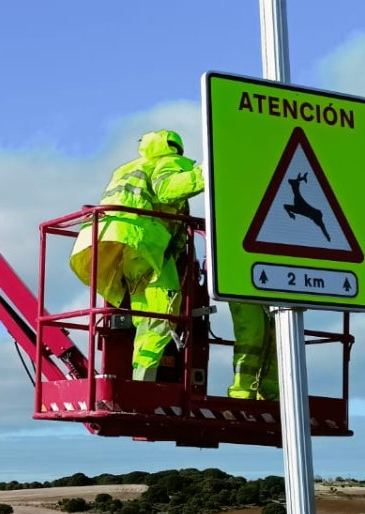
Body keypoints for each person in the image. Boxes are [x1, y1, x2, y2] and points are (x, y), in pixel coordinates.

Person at [69, 129, 203, 382]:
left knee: (146, 315)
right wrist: (203, 173)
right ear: (175, 148)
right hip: (146, 240)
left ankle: (142, 376)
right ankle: (145, 379)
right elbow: (167, 190)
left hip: (122, 242)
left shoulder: (128, 167)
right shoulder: (168, 161)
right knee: (165, 311)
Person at [228, 304, 278, 399]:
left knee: (275, 336)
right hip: (243, 292)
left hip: (271, 292)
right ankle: (242, 391)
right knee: (253, 335)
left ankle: (269, 391)